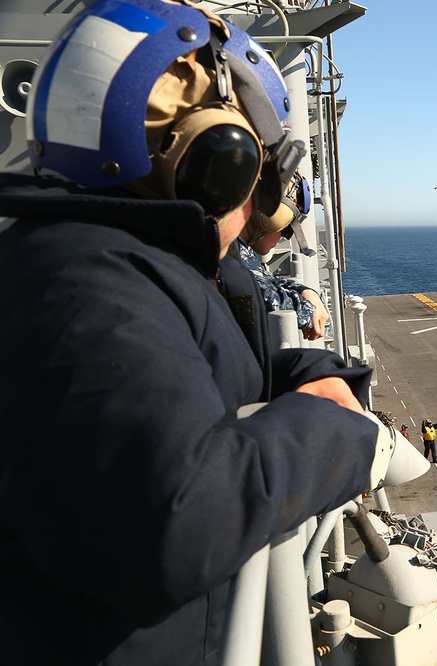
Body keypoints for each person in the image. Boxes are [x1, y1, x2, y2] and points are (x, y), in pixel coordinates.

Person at [0, 2, 380, 664]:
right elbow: (165, 528)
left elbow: (209, 367)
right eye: (261, 169)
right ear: (218, 163)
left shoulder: (139, 261)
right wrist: (346, 440)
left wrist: (315, 376)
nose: (267, 199)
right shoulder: (81, 285)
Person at [236, 170, 330, 341]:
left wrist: (306, 292)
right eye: (287, 228)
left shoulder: (237, 250)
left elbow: (265, 280)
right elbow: (258, 295)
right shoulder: (224, 251)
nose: (284, 237)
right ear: (267, 216)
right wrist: (308, 310)